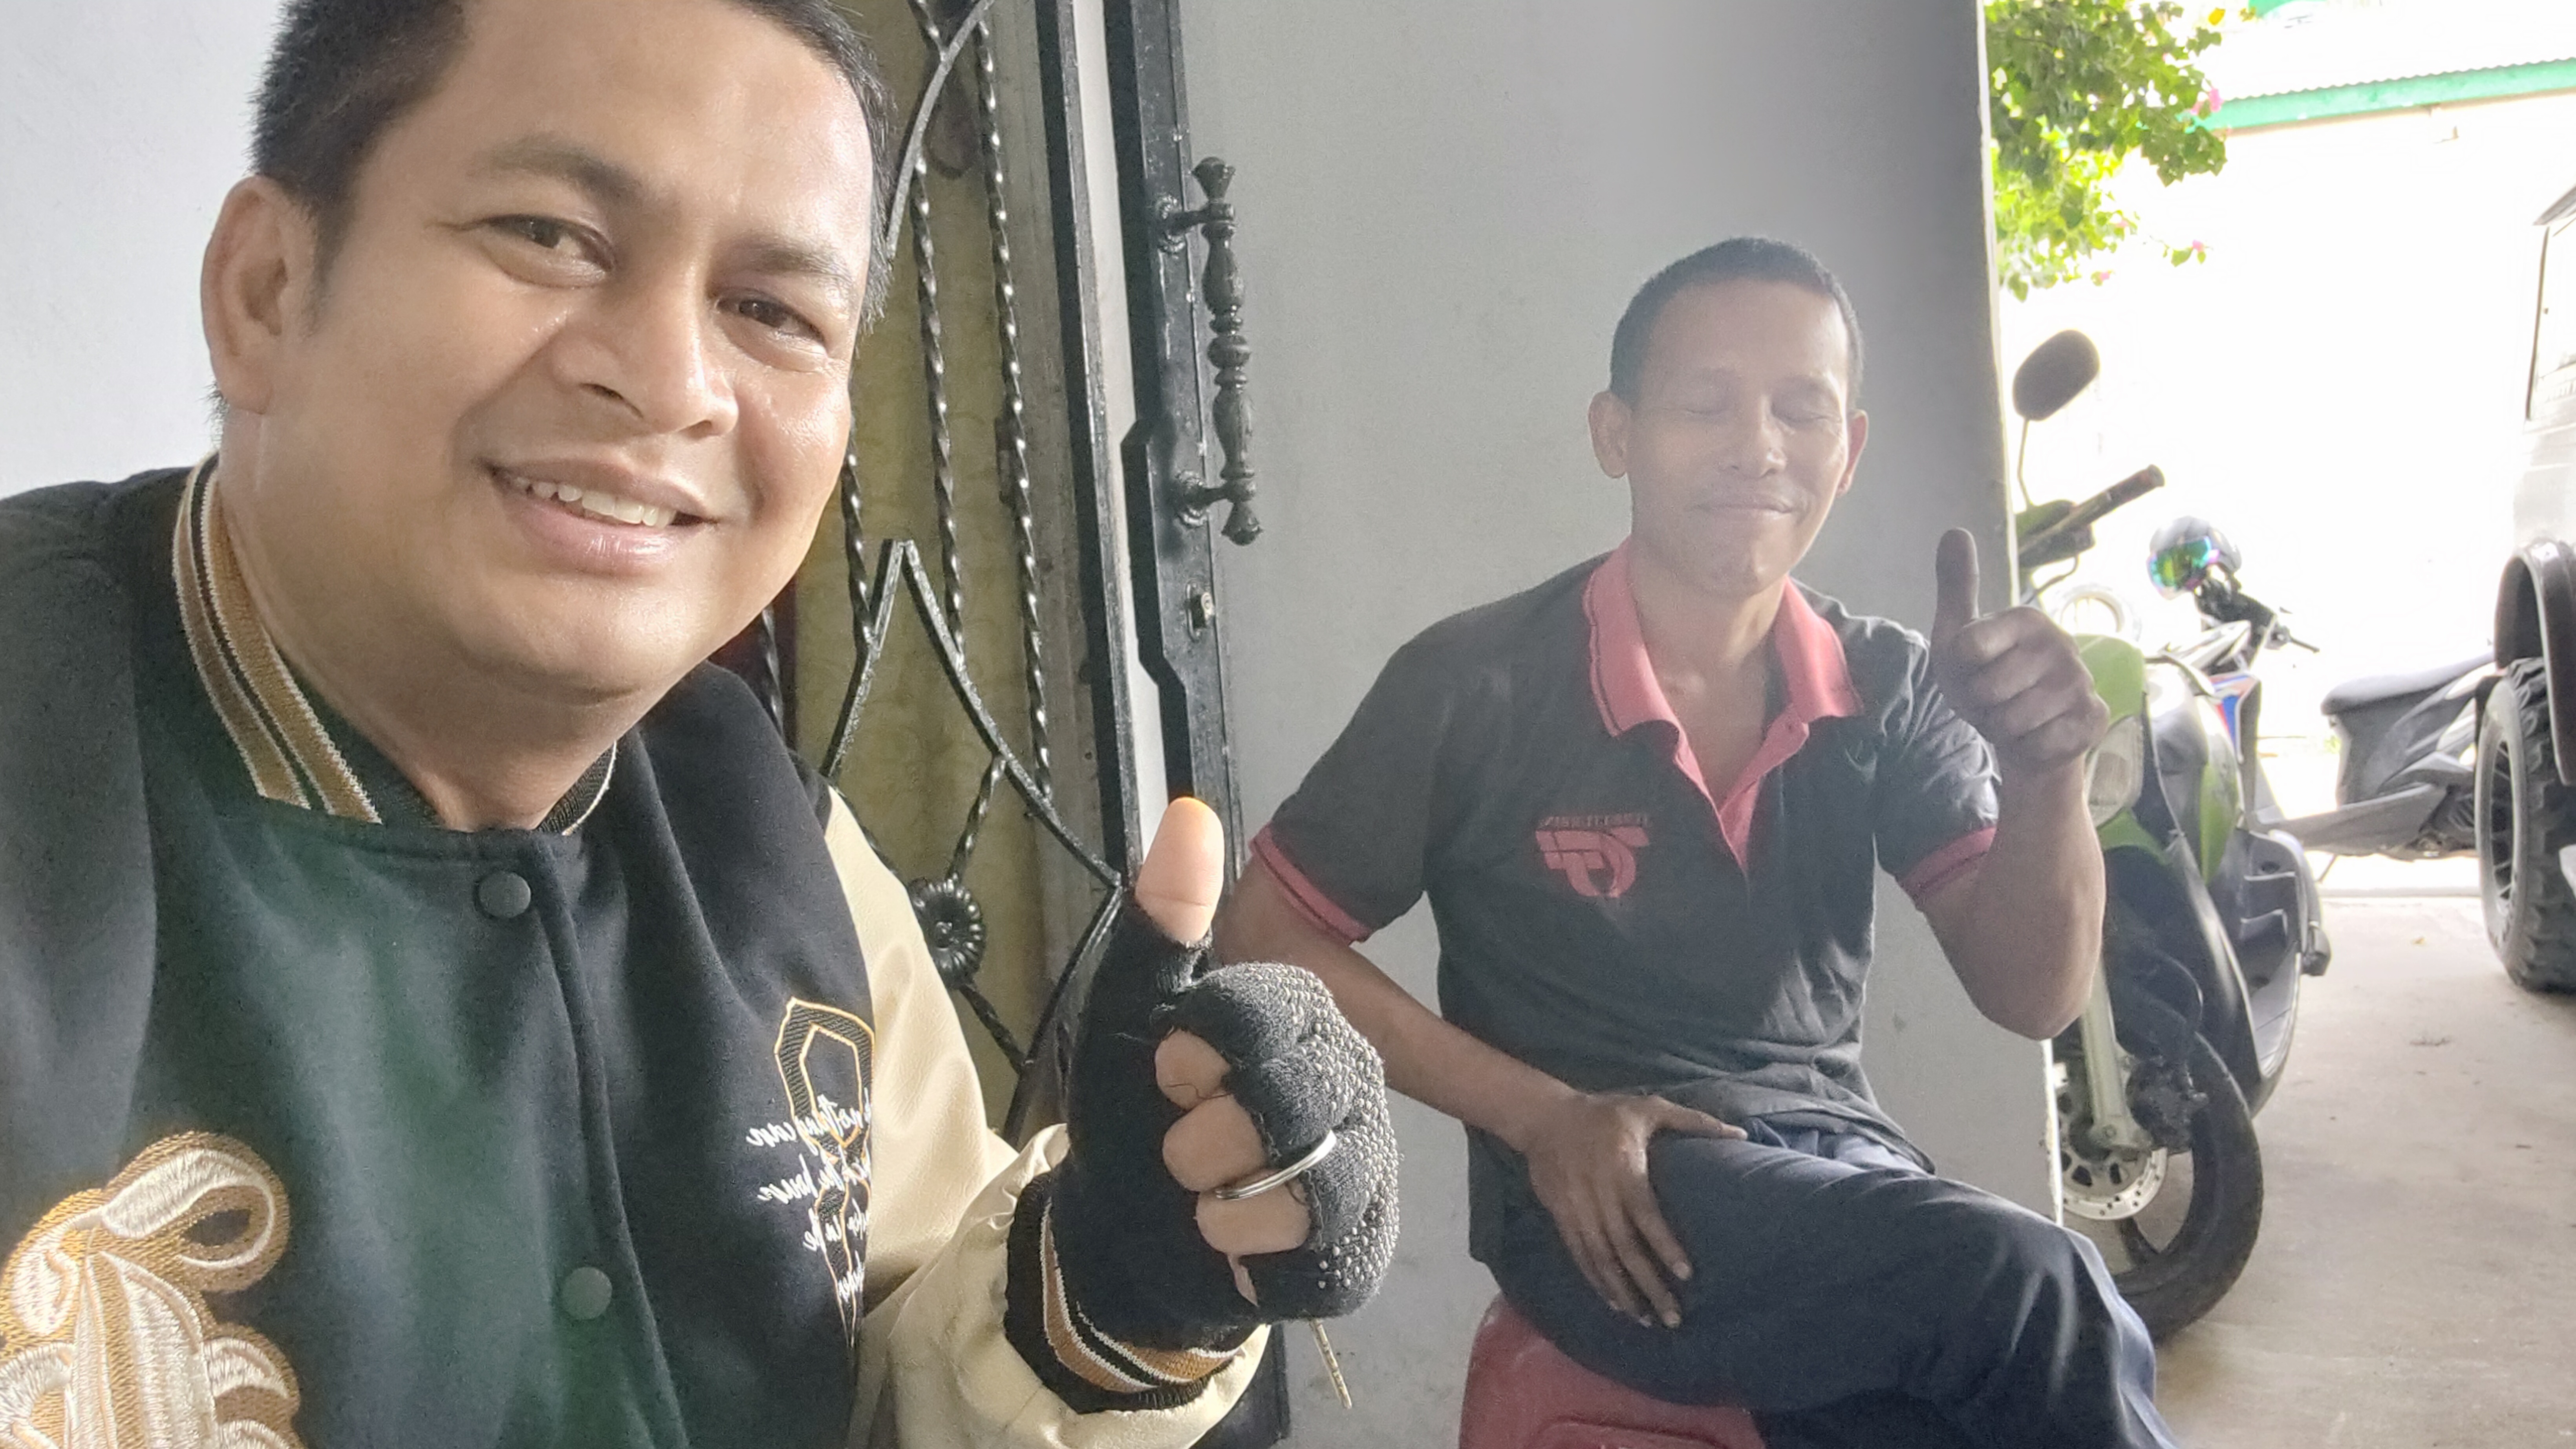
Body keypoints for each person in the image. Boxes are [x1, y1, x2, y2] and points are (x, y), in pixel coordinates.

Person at [0, 0, 1396, 1445]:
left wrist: (1111, 1288)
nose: (668, 383)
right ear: (268, 290)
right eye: (550, 235)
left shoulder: (779, 842)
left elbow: (896, 1375)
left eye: (774, 312)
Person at [1218, 238, 2179, 1448]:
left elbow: (2032, 992)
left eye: (1801, 410)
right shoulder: (1478, 682)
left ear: (1849, 450)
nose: (1758, 447)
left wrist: (2047, 775)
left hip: (1837, 1169)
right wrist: (1543, 1116)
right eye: (1705, 404)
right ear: (1616, 432)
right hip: (1609, 1205)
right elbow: (1261, 932)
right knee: (2033, 1283)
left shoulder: (1888, 683)